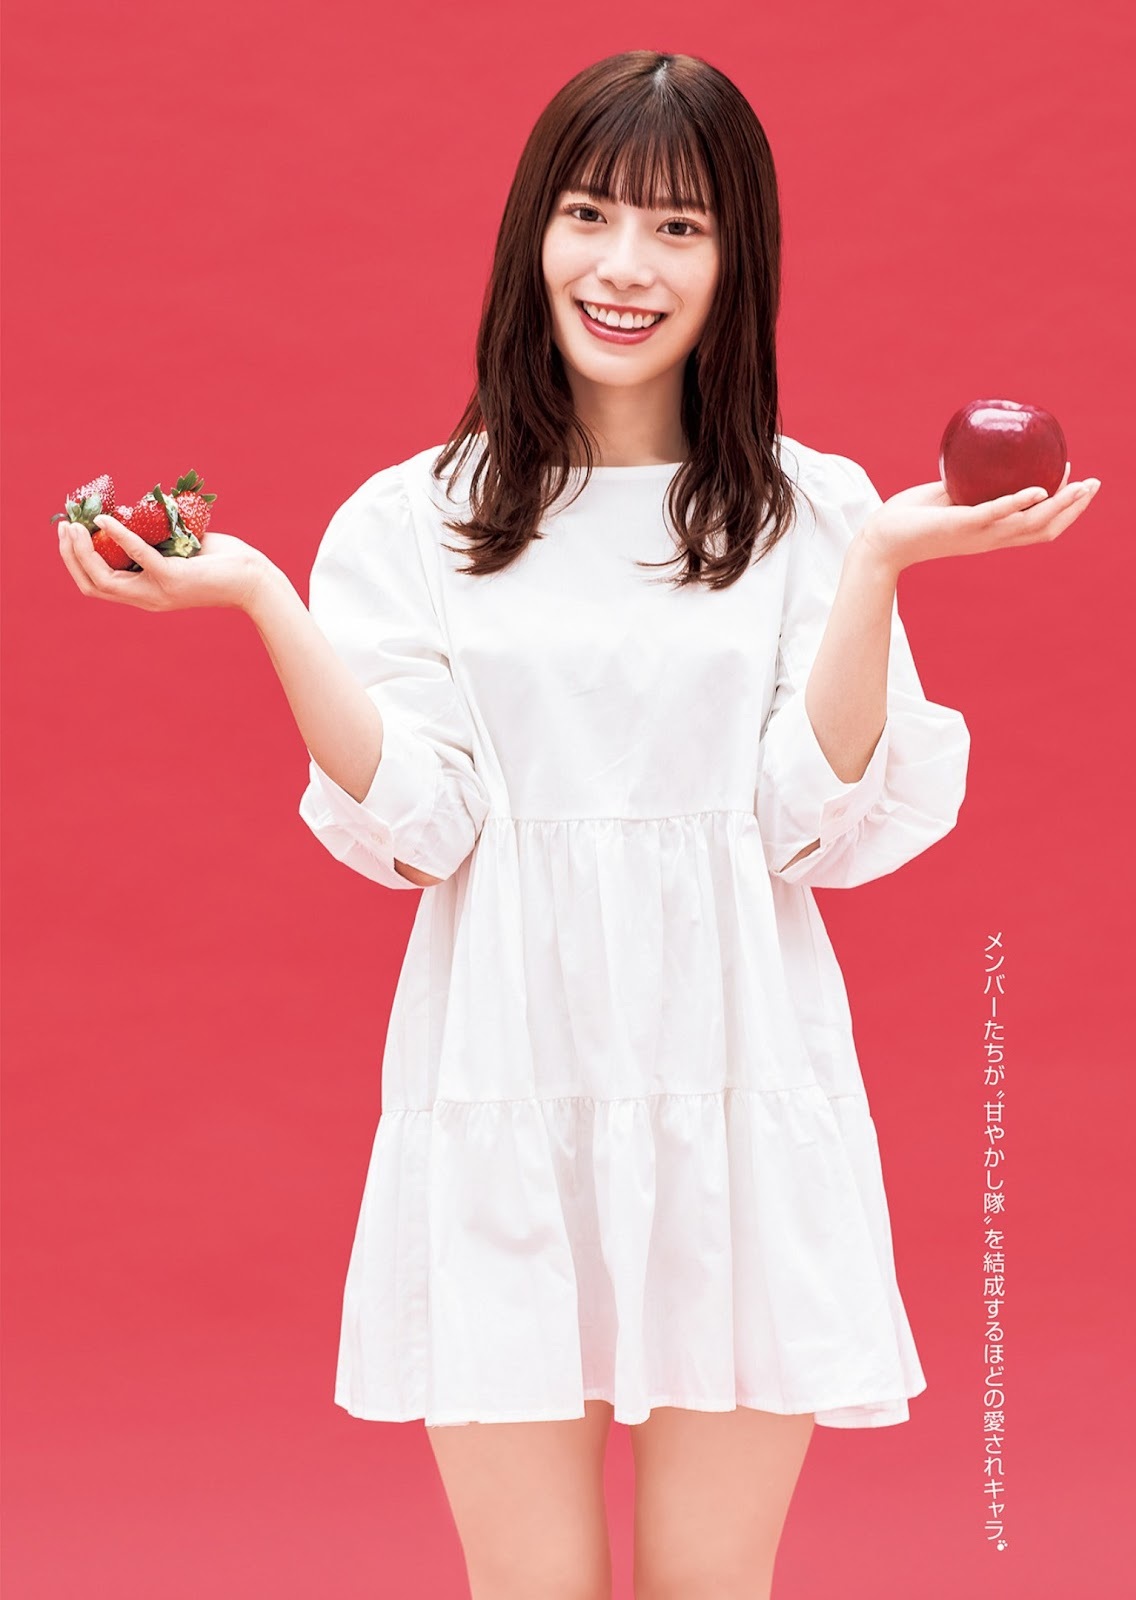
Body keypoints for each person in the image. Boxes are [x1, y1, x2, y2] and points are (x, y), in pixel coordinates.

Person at [56, 48, 1100, 1600]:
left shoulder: (811, 512)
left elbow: (809, 825)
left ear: (736, 262)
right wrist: (264, 598)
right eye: (591, 213)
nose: (626, 266)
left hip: (739, 1105)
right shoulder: (411, 523)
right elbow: (424, 830)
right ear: (532, 232)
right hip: (504, 1100)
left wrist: (880, 563)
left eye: (679, 228)